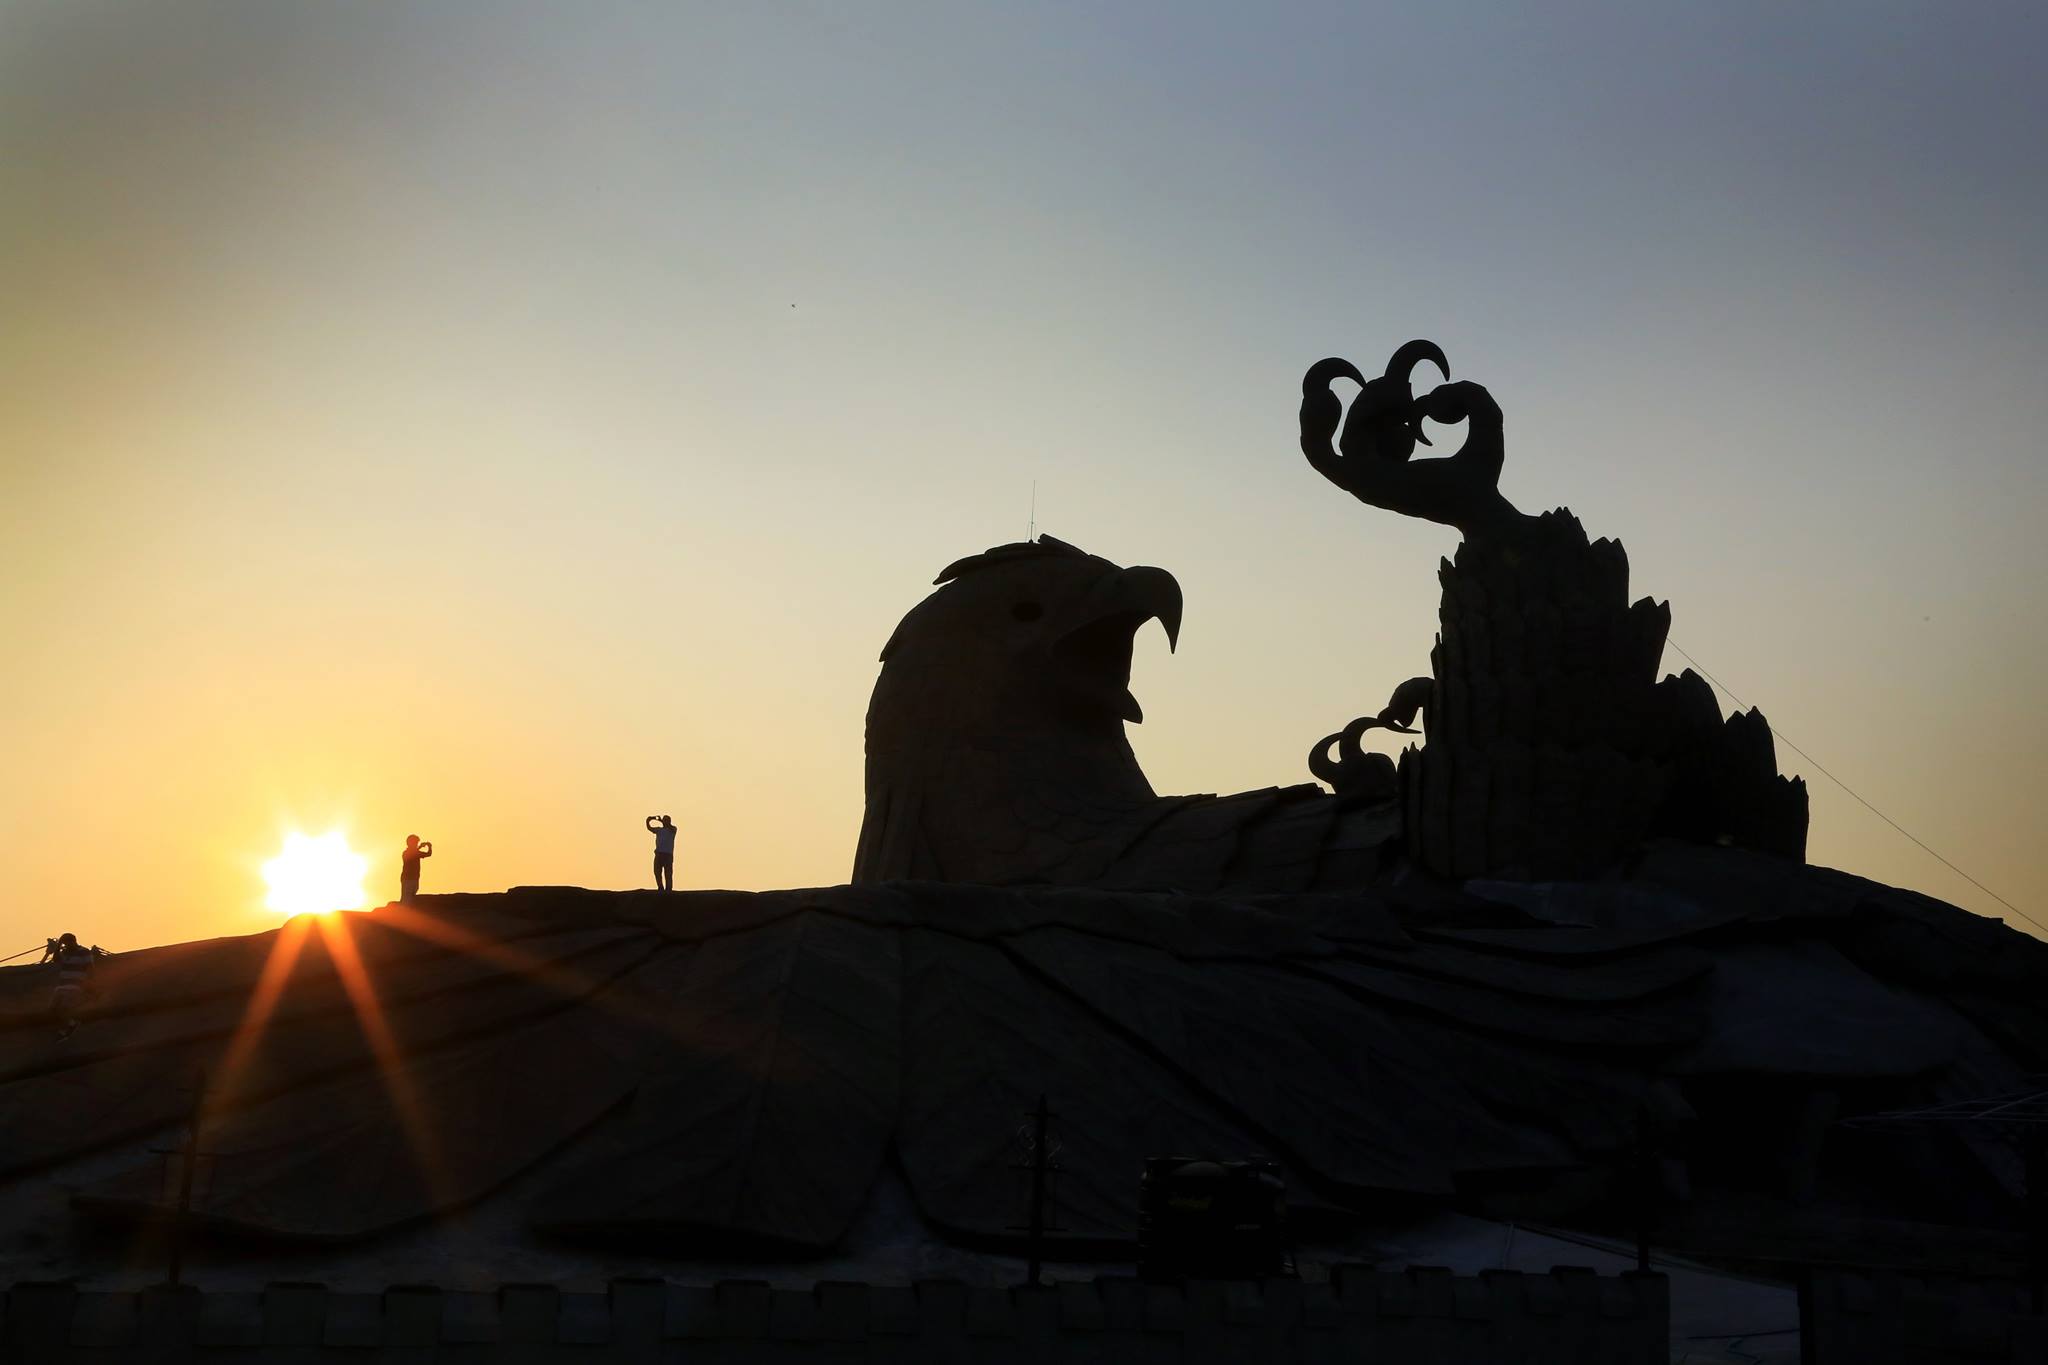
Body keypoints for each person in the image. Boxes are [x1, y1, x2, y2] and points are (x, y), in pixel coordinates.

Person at [40, 932, 108, 1040]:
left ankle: (70, 1026)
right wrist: (58, 946)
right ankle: (68, 1025)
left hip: (76, 986)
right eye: (64, 944)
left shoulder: (84, 952)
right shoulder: (64, 953)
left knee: (65, 1008)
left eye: (67, 943)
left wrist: (91, 985)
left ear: (73, 941)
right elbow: (56, 959)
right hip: (62, 986)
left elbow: (90, 969)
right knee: (52, 1009)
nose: (66, 946)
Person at [646, 814, 678, 891]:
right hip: (659, 854)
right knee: (657, 872)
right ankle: (660, 887)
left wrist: (661, 821)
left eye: (666, 820)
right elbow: (649, 828)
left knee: (668, 873)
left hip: (668, 855)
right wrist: (648, 820)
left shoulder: (673, 829)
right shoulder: (659, 830)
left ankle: (668, 889)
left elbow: (671, 827)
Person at [399, 835, 433, 904]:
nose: (416, 844)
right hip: (408, 878)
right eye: (415, 843)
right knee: (406, 899)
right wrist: (428, 846)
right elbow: (427, 854)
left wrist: (422, 847)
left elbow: (426, 854)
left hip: (413, 878)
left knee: (410, 898)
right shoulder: (407, 853)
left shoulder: (411, 852)